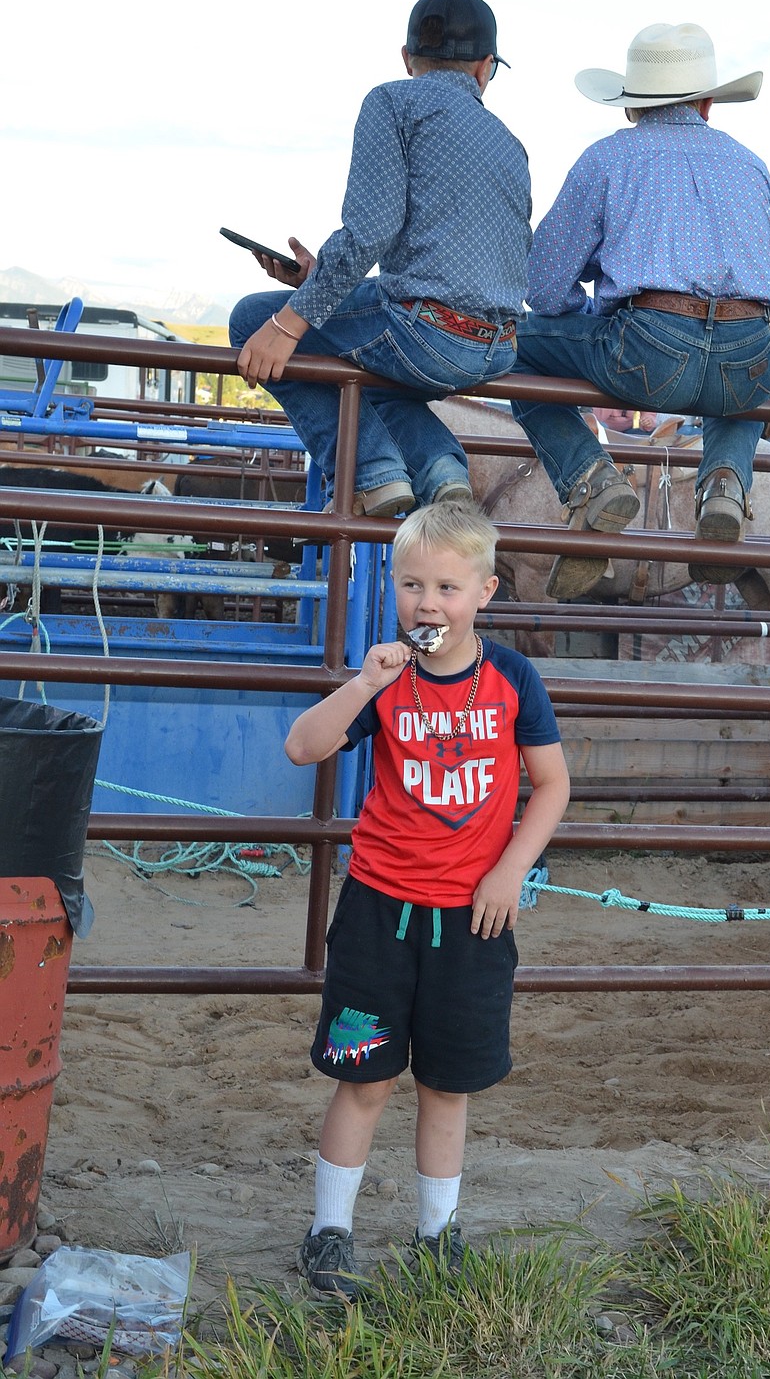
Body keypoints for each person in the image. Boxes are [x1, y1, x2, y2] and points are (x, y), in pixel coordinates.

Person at [285, 502, 570, 1294]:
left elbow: (551, 784)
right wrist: (363, 683)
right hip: (379, 915)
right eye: (412, 584)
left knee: (447, 1087)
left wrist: (511, 868)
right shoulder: (386, 680)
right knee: (364, 1079)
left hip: (474, 922)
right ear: (394, 588)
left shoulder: (512, 677)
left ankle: (437, 1237)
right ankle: (329, 1231)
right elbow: (303, 745)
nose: (427, 602)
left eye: (447, 585)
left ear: (485, 590)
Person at [229, 0, 532, 518]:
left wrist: (287, 325)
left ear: (406, 58)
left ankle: (372, 474)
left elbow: (371, 230)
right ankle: (442, 473)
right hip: (498, 346)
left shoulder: (392, 101)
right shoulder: (509, 141)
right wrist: (318, 282)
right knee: (376, 366)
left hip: (425, 333)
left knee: (252, 316)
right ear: (486, 68)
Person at [507, 21, 770, 597]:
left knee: (515, 344)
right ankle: (726, 482)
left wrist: (589, 310)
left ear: (632, 105)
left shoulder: (608, 159)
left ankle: (590, 478)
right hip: (749, 355)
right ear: (708, 103)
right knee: (746, 368)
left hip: (650, 350)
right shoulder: (751, 165)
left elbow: (546, 285)